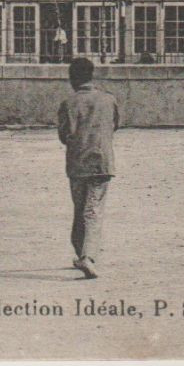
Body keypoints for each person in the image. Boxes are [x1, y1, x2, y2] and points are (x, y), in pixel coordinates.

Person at [56, 56, 121, 279]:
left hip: (77, 164)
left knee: (80, 208)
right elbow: (115, 126)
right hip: (102, 162)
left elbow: (63, 135)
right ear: (92, 75)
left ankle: (82, 253)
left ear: (73, 78)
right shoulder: (108, 99)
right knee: (94, 210)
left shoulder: (68, 103)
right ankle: (87, 256)